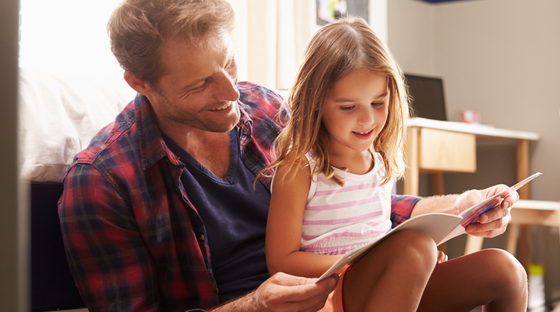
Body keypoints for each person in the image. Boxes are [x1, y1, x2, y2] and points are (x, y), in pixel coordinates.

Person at [58, 0, 521, 311]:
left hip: (343, 283)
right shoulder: (103, 185)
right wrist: (254, 305)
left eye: (229, 64)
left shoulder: (266, 111)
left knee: (500, 267)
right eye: (200, 83)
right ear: (140, 83)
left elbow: (345, 205)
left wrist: (457, 208)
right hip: (268, 301)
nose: (229, 92)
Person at [262, 17, 527, 312]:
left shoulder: (379, 162)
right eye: (348, 107)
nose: (367, 120)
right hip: (329, 296)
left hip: (383, 287)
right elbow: (281, 262)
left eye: (378, 103)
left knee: (506, 271)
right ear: (315, 102)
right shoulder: (301, 168)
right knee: (416, 247)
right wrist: (386, 259)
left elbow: (377, 233)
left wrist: (410, 261)